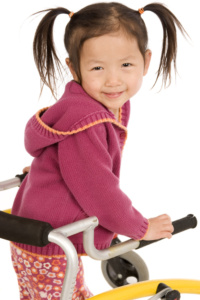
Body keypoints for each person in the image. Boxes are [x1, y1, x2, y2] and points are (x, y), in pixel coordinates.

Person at [11, 2, 187, 299]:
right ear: (73, 67)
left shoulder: (83, 105)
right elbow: (98, 191)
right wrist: (141, 227)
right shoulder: (87, 121)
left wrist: (47, 170)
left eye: (126, 65)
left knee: (69, 292)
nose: (113, 80)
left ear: (145, 61)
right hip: (51, 242)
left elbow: (71, 161)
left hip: (44, 235)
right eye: (97, 68)